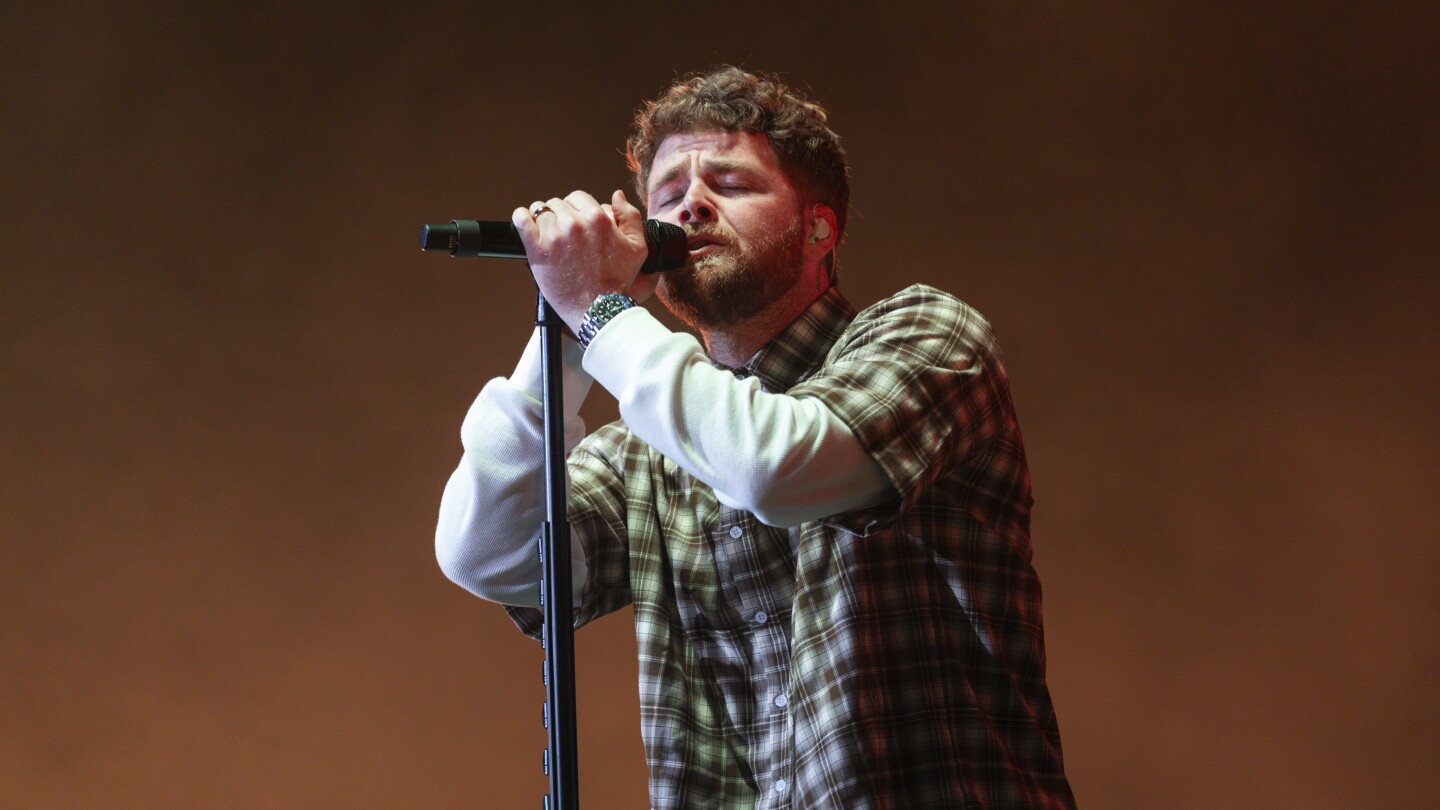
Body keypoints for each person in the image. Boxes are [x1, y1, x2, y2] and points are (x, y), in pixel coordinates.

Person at [435, 66, 1076, 809]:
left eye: (731, 184)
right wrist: (570, 330)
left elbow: (772, 465)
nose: (692, 206)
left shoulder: (931, 336)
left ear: (818, 228)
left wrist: (600, 312)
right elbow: (487, 553)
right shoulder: (647, 451)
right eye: (667, 196)